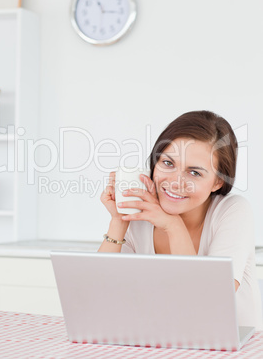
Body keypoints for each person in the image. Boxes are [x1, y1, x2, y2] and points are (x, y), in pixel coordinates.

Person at [98, 110, 263, 330]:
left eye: (194, 173)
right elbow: (97, 294)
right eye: (167, 163)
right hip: (161, 341)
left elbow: (207, 304)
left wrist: (173, 226)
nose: (176, 182)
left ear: (217, 183)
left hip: (228, 346)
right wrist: (119, 221)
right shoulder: (142, 212)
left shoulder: (232, 211)